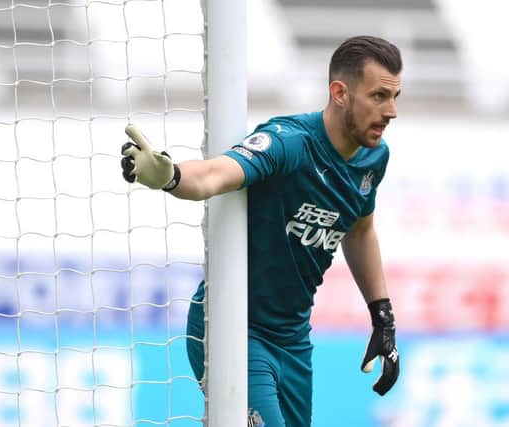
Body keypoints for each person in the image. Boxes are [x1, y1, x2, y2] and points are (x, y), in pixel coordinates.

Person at [120, 35, 401, 427]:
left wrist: (382, 316)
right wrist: (170, 175)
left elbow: (360, 229)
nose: (391, 111)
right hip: (231, 326)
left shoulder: (375, 157)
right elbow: (218, 172)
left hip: (293, 338)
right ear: (340, 92)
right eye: (379, 96)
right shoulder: (290, 143)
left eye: (395, 97)